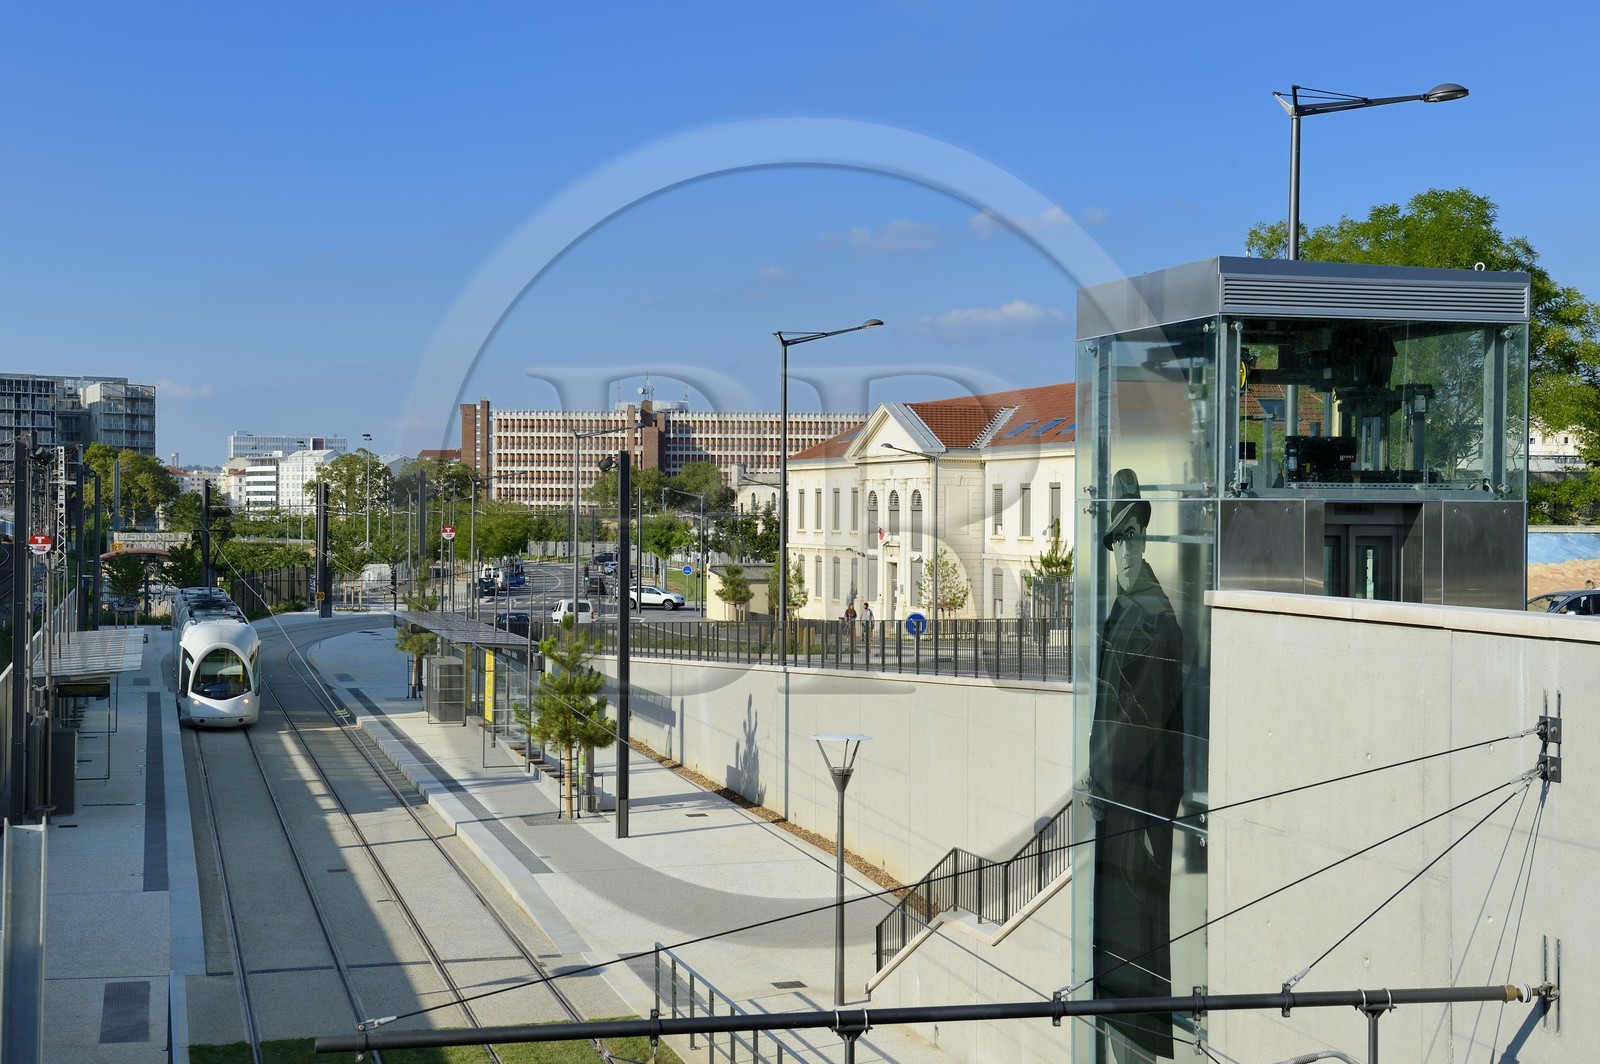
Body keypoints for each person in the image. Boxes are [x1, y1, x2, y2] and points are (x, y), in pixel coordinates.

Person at [1087, 467, 1185, 1060]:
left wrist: (1100, 774)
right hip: (1120, 802)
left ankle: (1137, 1044)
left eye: (1132, 536)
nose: (1125, 550)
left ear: (1144, 540)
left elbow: (1138, 723)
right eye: (1117, 539)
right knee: (1118, 951)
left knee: (1135, 946)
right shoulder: (1127, 607)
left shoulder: (1153, 618)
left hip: (1137, 806)